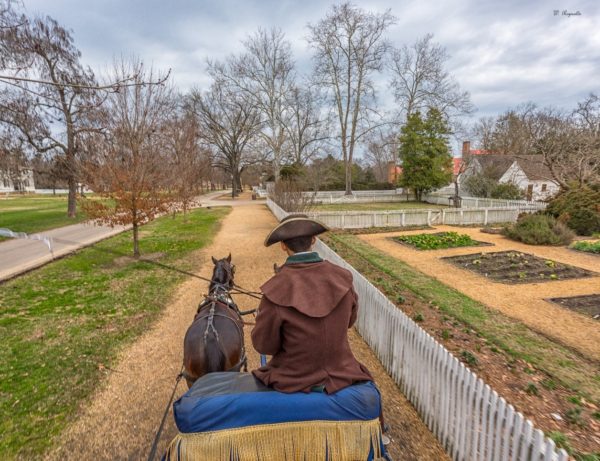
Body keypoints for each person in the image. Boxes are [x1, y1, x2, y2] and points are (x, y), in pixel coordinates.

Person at [251, 214, 374, 394]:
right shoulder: (343, 278)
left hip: (292, 378)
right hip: (343, 372)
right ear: (314, 240)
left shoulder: (275, 291)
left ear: (283, 245)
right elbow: (349, 321)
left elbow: (264, 346)